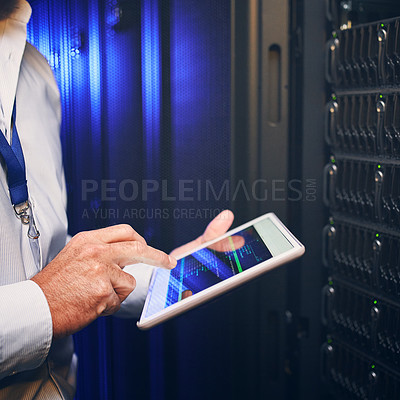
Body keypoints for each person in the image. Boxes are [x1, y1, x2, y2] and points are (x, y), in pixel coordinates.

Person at [0, 0, 235, 398]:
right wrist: (42, 306)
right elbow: (50, 293)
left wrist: (173, 276)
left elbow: (54, 270)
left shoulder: (36, 70)